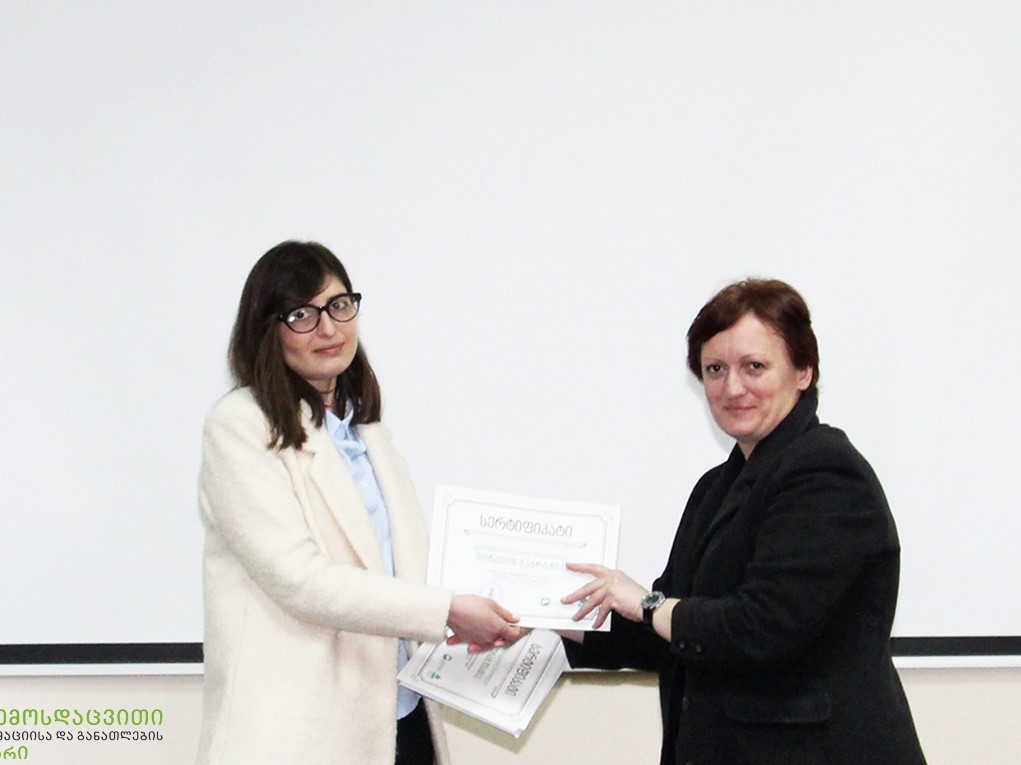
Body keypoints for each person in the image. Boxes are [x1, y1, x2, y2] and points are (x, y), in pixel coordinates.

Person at [561, 278, 927, 765]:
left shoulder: (827, 473)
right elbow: (671, 633)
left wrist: (647, 604)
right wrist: (542, 617)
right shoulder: (715, 488)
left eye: (754, 366)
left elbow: (761, 629)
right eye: (715, 369)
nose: (732, 388)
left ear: (803, 371)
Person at [195, 240, 521, 765]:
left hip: (402, 715)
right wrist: (448, 610)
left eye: (340, 305)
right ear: (266, 329)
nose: (329, 328)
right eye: (302, 315)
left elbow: (404, 569)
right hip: (302, 732)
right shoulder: (240, 425)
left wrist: (512, 600)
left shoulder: (367, 433)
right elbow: (301, 581)